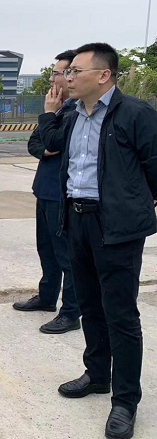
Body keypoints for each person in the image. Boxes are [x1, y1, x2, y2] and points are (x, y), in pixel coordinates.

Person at [38, 43, 157, 439]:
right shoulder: (73, 115)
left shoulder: (135, 113)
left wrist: (133, 206)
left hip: (116, 228)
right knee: (89, 305)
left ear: (103, 75)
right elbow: (48, 146)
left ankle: (125, 401)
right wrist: (50, 113)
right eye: (67, 71)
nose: (67, 77)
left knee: (120, 314)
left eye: (75, 71)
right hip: (77, 221)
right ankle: (97, 374)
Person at [13, 50, 81, 334]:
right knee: (47, 250)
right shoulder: (58, 110)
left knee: (67, 256)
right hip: (44, 190)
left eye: (55, 74)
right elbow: (35, 144)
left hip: (63, 194)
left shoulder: (77, 111)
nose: (51, 79)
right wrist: (47, 144)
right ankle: (47, 297)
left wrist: (49, 120)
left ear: (70, 75)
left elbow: (56, 142)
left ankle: (71, 312)